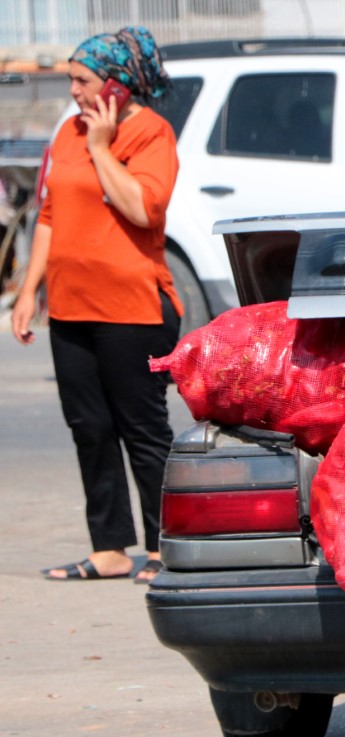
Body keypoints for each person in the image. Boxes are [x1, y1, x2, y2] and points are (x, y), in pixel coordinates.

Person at [9, 26, 181, 584]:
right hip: (71, 306)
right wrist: (29, 288)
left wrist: (103, 149)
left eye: (82, 81)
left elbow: (142, 210)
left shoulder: (151, 135)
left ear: (119, 85)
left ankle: (163, 549)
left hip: (132, 309)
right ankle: (108, 548)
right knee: (89, 426)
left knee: (143, 429)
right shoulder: (66, 132)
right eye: (71, 81)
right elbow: (52, 217)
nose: (74, 93)